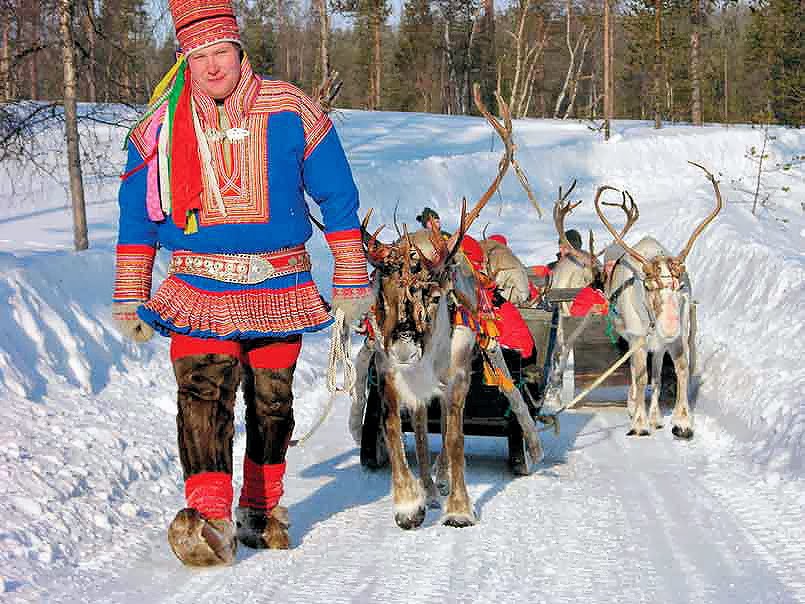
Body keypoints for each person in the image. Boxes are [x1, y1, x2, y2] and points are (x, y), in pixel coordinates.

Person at [111, 0, 372, 567]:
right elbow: (137, 215)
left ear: (239, 49)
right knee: (203, 397)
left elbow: (337, 193)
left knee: (272, 404)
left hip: (281, 287)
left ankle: (262, 505)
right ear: (184, 58)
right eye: (198, 56)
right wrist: (131, 290)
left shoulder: (293, 108)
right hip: (197, 289)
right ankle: (209, 519)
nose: (211, 67)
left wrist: (351, 273)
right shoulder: (159, 126)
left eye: (220, 53)